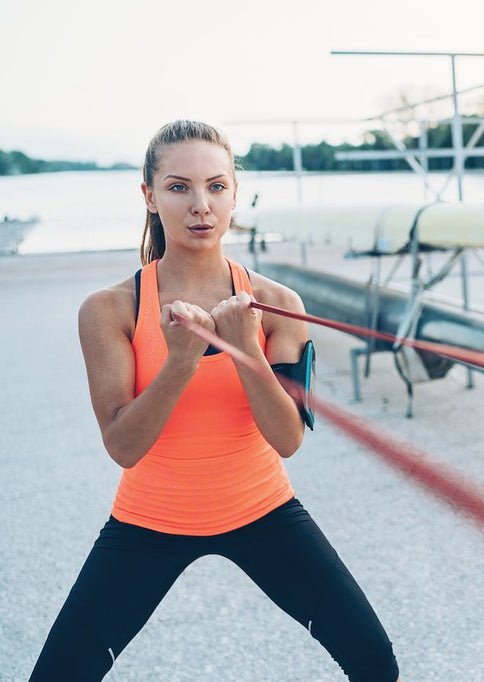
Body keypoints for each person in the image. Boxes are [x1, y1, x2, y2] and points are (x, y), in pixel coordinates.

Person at [29, 120, 400, 682]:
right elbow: (123, 447)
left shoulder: (276, 303)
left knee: (375, 664)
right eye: (178, 187)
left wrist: (245, 347)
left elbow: (288, 439)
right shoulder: (110, 310)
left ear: (235, 195)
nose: (200, 205)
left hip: (263, 512)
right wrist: (180, 361)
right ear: (149, 196)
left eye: (216, 186)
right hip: (147, 522)